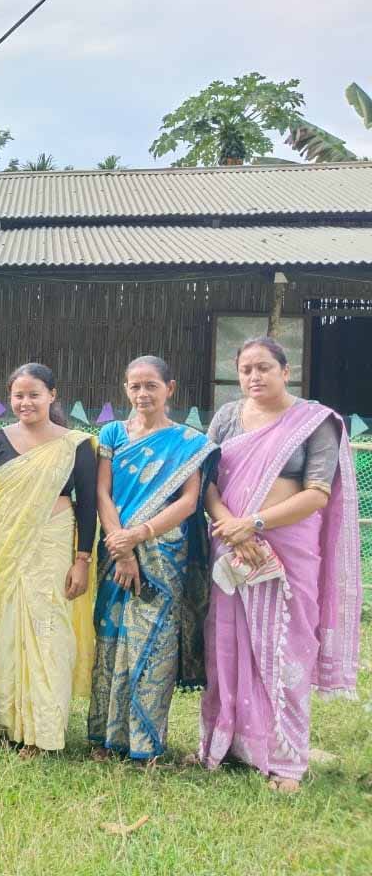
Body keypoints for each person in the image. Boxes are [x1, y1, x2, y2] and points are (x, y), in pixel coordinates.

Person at [198, 337, 360, 793]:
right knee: (227, 644)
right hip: (231, 546)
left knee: (286, 647)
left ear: (286, 372)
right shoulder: (227, 417)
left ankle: (287, 762)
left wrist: (254, 523)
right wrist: (232, 526)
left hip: (289, 550)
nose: (254, 376)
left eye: (264, 367)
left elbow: (317, 494)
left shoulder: (315, 422)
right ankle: (227, 744)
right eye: (246, 369)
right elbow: (205, 480)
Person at [88, 356, 215, 764]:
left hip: (163, 554)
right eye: (135, 386)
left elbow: (190, 502)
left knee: (154, 645)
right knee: (111, 640)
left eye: (151, 386)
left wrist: (138, 536)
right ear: (125, 389)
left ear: (169, 389)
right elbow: (102, 493)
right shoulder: (112, 433)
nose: (142, 394)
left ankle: (145, 744)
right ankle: (106, 738)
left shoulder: (189, 442)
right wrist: (122, 547)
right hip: (115, 550)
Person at [0, 362, 97, 756]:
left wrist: (82, 560)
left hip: (52, 545)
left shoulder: (75, 444)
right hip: (6, 547)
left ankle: (45, 730)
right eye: (18, 395)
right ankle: (12, 726)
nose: (25, 402)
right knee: (10, 634)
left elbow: (88, 505)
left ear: (52, 395)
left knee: (49, 633)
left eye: (34, 394)